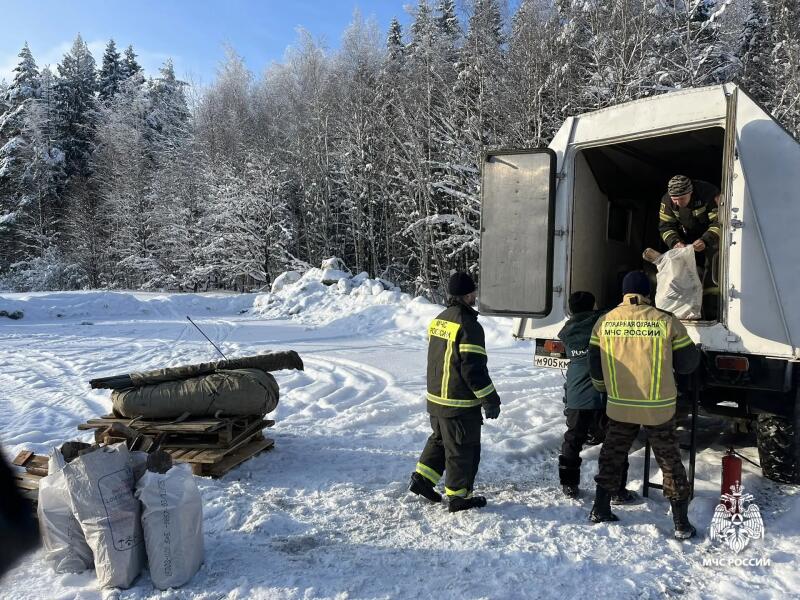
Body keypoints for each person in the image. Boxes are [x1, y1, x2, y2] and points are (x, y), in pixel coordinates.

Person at [587, 271, 701, 539]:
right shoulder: (666, 321)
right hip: (658, 409)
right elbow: (687, 365)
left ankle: (600, 507)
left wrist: (606, 390)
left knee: (612, 455)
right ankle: (681, 523)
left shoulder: (604, 322)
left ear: (624, 293)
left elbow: (595, 366)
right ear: (648, 293)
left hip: (619, 406)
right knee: (670, 461)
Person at [409, 272, 501, 513]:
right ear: (468, 294)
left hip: (437, 399)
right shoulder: (469, 326)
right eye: (474, 293)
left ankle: (423, 479)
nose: (475, 296)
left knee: (441, 440)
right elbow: (473, 370)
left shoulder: (440, 319)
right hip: (458, 403)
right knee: (462, 448)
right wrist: (490, 399)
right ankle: (459, 498)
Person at [557, 291, 634, 503]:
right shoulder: (602, 322)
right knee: (615, 441)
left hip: (576, 395)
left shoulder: (567, 331)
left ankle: (569, 484)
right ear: (593, 307)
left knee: (573, 439)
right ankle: (617, 489)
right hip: (604, 394)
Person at [658, 175, 722, 317]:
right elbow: (665, 228)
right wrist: (675, 243)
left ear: (690, 192)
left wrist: (705, 240)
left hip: (709, 239)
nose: (677, 202)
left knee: (712, 268)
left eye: (681, 198)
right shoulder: (667, 201)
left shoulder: (709, 193)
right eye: (674, 199)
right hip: (685, 241)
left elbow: (719, 223)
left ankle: (711, 309)